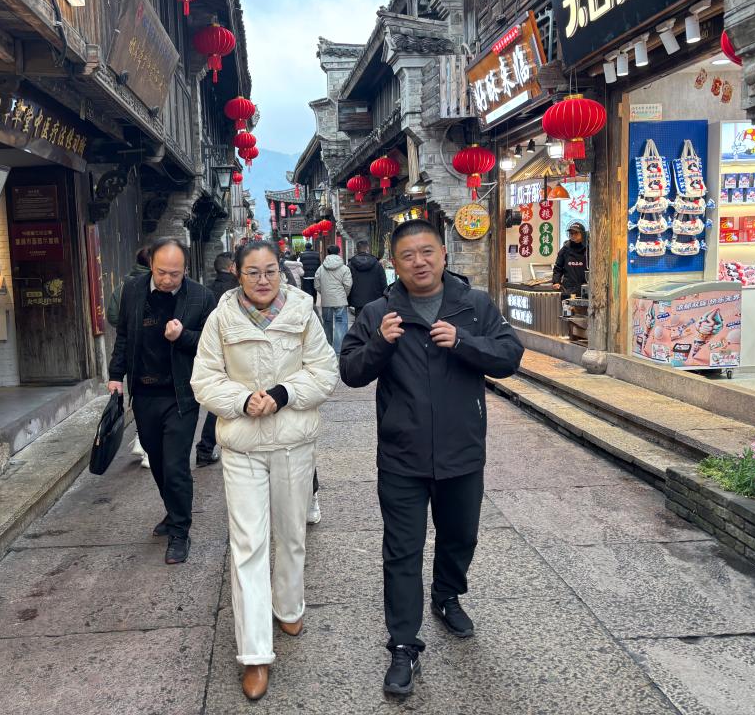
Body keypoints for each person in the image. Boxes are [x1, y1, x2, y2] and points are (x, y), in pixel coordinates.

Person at [339, 219, 524, 697]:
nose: (419, 262)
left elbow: (510, 356)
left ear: (443, 255)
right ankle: (403, 645)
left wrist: (464, 343)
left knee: (460, 536)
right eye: (408, 255)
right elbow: (351, 371)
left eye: (427, 252)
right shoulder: (380, 312)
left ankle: (447, 595)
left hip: (463, 450)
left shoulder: (473, 305)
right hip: (402, 455)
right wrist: (380, 343)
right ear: (394, 264)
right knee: (402, 550)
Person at [191, 241, 338, 701]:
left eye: (270, 270)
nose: (262, 279)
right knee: (248, 545)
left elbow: (324, 371)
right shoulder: (221, 319)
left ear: (281, 272)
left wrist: (282, 393)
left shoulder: (302, 311)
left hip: (293, 441)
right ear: (237, 274)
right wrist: (241, 400)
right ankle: (255, 653)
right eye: (252, 271)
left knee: (291, 534)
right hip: (243, 446)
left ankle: (289, 605)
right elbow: (204, 378)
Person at [108, 238, 217, 565]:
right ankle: (172, 512)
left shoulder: (201, 297)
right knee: (156, 461)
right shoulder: (133, 290)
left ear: (185, 269)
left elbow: (212, 344)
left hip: (180, 395)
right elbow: (123, 335)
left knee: (175, 465)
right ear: (150, 265)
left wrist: (181, 336)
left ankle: (180, 532)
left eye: (175, 273)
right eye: (161, 272)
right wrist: (116, 375)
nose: (168, 279)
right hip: (144, 393)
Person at [106, 247, 153, 468]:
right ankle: (146, 447)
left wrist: (127, 324)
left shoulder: (123, 286)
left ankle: (141, 441)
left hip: (131, 351)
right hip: (151, 349)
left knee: (140, 396)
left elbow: (112, 315)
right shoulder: (154, 285)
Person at [196, 252, 238, 468]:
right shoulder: (238, 290)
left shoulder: (207, 291)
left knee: (220, 400)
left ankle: (205, 448)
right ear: (232, 267)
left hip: (217, 351)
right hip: (237, 350)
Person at [314, 244, 352, 356]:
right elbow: (348, 284)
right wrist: (344, 295)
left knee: (327, 323)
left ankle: (328, 347)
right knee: (341, 324)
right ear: (339, 253)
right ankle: (339, 350)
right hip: (340, 301)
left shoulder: (321, 268)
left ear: (328, 253)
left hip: (326, 301)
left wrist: (324, 293)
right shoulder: (344, 268)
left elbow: (317, 284)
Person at [348, 240, 388, 317]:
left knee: (359, 321)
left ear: (357, 249)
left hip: (357, 300)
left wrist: (349, 299)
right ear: (368, 248)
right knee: (373, 321)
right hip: (375, 299)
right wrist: (385, 297)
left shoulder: (351, 265)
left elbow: (347, 283)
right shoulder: (377, 264)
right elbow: (383, 282)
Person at [552, 222, 589, 298]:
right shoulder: (565, 249)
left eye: (576, 233)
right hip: (568, 288)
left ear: (582, 234)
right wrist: (556, 281)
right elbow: (558, 267)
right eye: (571, 233)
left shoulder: (589, 249)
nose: (573, 235)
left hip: (585, 288)